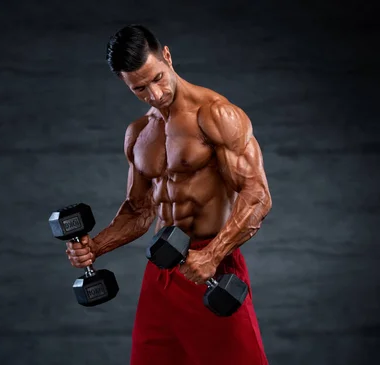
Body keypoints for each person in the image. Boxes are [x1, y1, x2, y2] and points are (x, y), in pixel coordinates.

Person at [65, 24, 272, 365]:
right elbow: (139, 210)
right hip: (161, 274)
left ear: (167, 56)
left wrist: (213, 254)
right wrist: (95, 247)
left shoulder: (216, 115)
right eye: (140, 88)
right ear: (124, 81)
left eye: (158, 78)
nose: (155, 94)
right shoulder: (139, 133)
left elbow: (257, 195)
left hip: (213, 268)